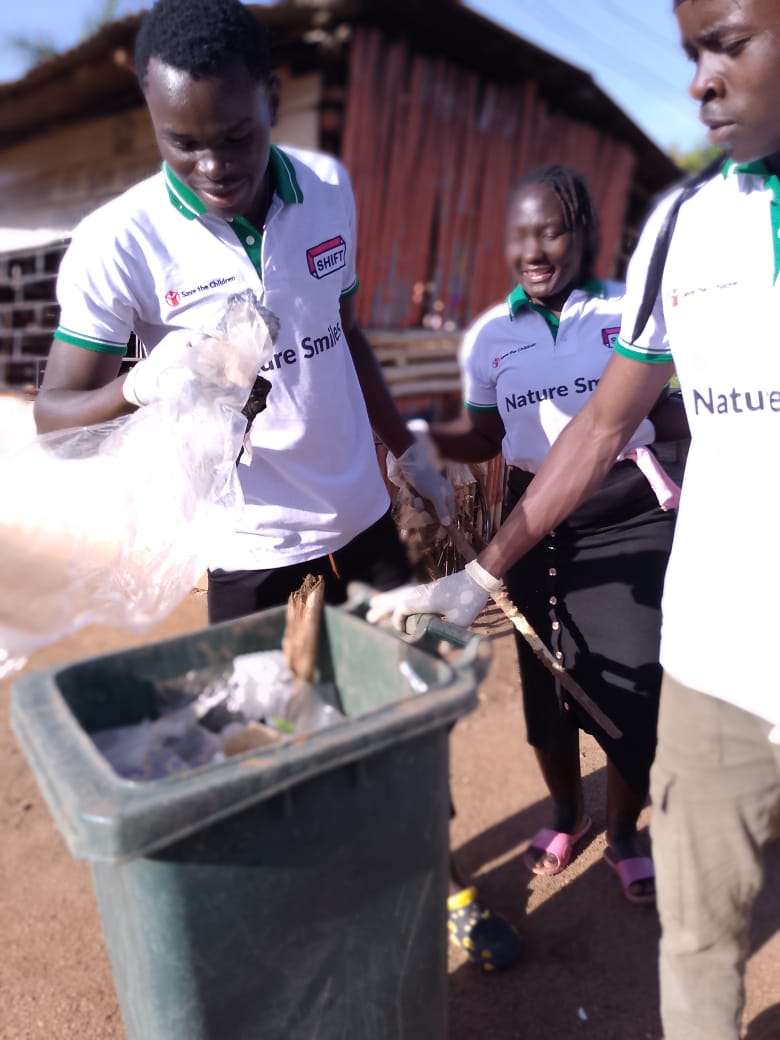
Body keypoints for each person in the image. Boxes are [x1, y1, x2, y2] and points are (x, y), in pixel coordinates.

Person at [33, 0, 520, 973]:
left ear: (274, 96)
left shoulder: (330, 189)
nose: (215, 165)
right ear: (152, 118)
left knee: (403, 720)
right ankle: (324, 915)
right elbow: (52, 417)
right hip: (248, 553)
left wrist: (406, 448)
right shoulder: (118, 245)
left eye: (238, 137)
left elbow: (344, 337)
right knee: (273, 742)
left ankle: (444, 881)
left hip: (366, 522)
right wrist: (142, 379)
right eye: (184, 144)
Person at [368, 0, 780, 1035]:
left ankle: (616, 820)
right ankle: (579, 814)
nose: (698, 80)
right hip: (708, 642)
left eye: (726, 44)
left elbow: (650, 434)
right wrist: (477, 567)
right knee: (692, 930)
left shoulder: (603, 303)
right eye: (691, 53)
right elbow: (592, 424)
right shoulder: (683, 233)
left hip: (632, 531)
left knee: (628, 714)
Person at [382, 164, 684, 904]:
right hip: (529, 527)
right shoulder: (491, 337)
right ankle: (565, 811)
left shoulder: (628, 311)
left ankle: (622, 831)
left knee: (634, 690)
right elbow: (487, 436)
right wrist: (421, 437)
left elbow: (670, 412)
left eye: (549, 230)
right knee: (546, 685)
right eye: (520, 235)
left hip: (626, 516)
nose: (534, 250)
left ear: (581, 233)